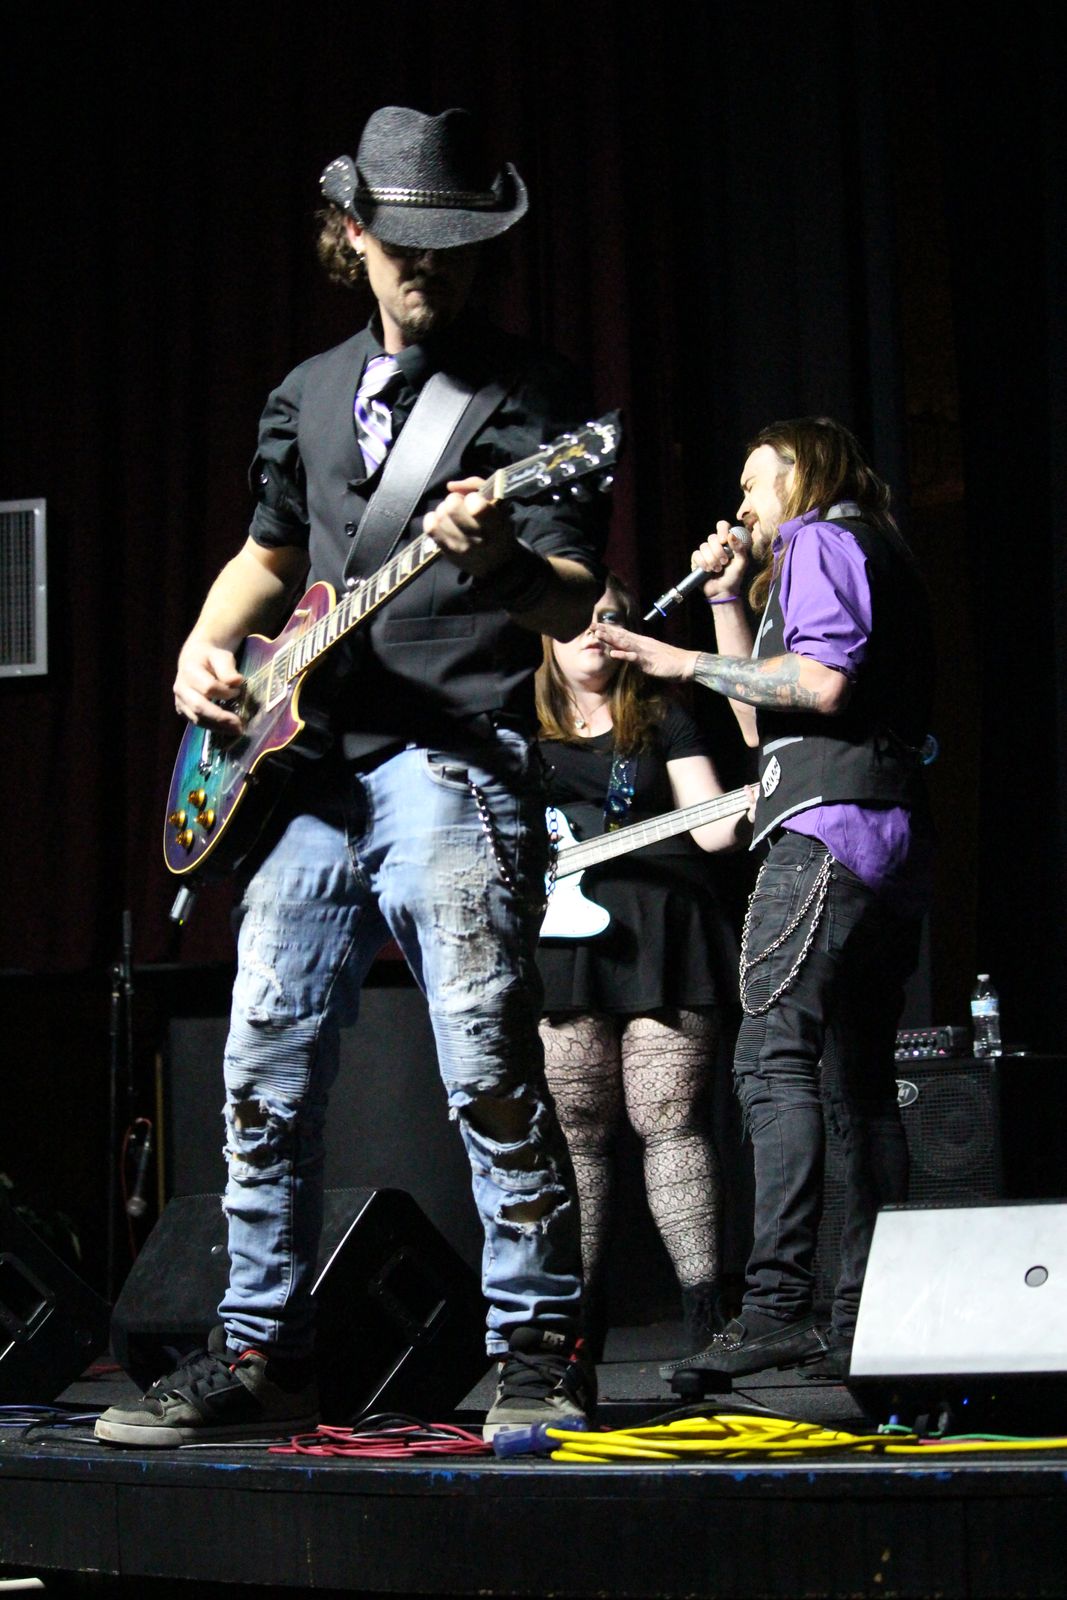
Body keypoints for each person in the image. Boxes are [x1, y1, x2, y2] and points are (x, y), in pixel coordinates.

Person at [96, 105, 608, 1447]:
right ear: (354, 233)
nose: (430, 261)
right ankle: (264, 1351)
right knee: (260, 1069)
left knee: (483, 1060)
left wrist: (498, 557)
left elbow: (572, 598)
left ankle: (537, 1345)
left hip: (453, 758)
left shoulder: (530, 396)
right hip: (307, 778)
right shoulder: (305, 393)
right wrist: (204, 650)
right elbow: (271, 555)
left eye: (456, 242)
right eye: (407, 237)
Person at [596, 417, 935, 1385]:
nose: (740, 504)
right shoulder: (874, 550)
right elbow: (760, 718)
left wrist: (672, 663)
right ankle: (863, 1321)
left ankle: (778, 1304)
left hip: (823, 834)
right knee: (857, 1082)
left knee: (768, 1058)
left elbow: (818, 686)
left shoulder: (820, 539)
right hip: (886, 836)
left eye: (753, 483)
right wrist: (721, 598)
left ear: (804, 472)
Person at [535, 573, 752, 1354]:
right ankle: (577, 1330)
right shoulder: (515, 730)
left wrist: (763, 800)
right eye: (578, 618)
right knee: (577, 1136)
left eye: (610, 618)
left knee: (669, 1122)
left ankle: (705, 1321)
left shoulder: (662, 717)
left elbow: (712, 829)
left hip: (665, 930)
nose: (594, 630)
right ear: (545, 632)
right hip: (561, 945)